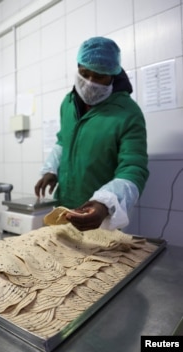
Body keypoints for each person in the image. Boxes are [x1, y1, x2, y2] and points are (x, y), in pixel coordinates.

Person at [35, 36, 149, 231]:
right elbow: (64, 141)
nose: (90, 82)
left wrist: (104, 203)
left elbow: (133, 168)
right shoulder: (68, 103)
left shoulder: (128, 113)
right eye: (84, 73)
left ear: (113, 74)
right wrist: (51, 169)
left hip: (99, 217)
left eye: (99, 76)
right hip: (64, 205)